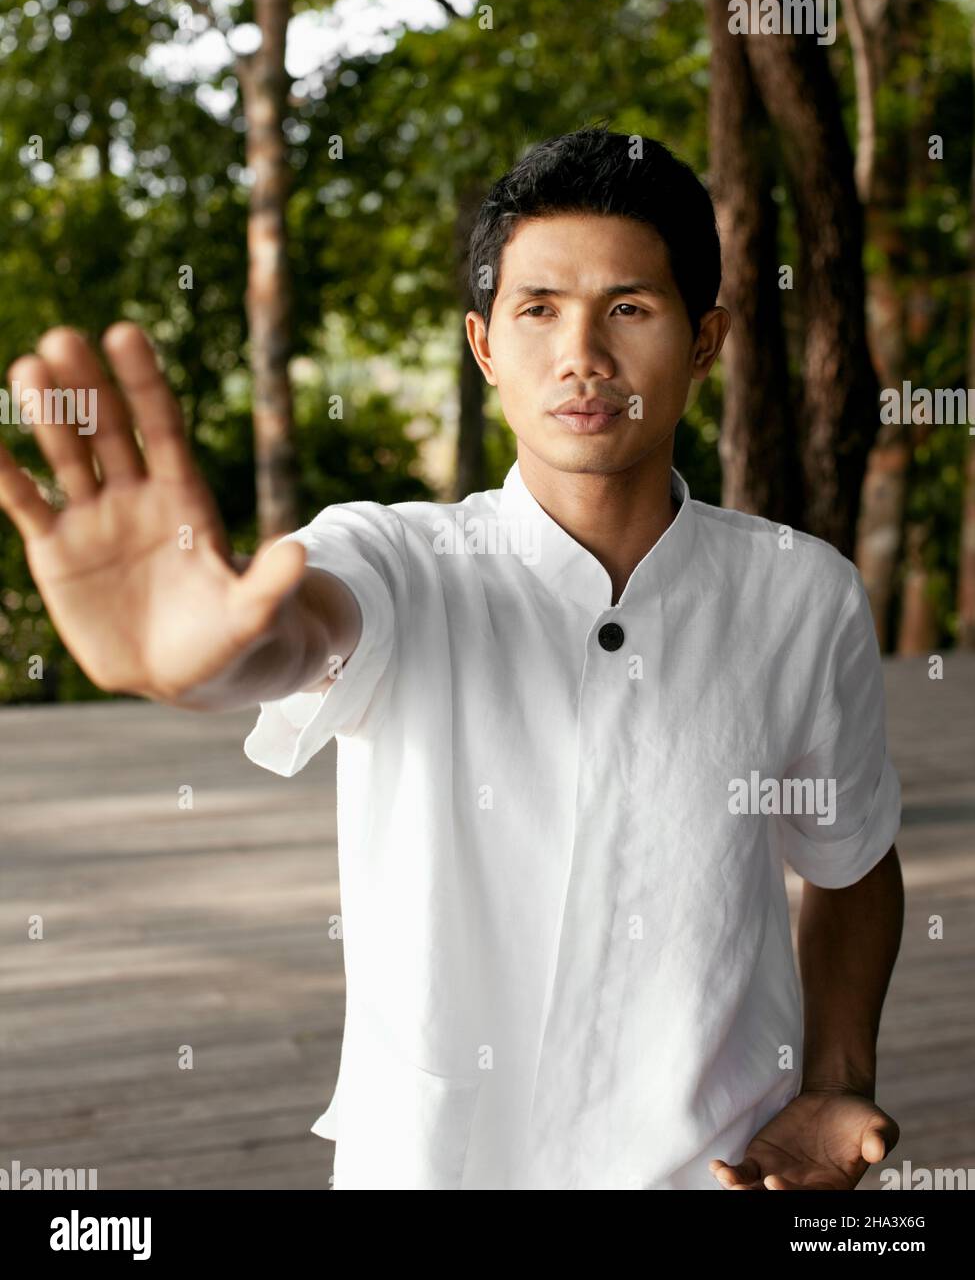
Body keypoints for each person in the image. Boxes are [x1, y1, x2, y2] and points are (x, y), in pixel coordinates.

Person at [0, 125, 903, 1191]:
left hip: (713, 1168)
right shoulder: (404, 560)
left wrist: (837, 1077)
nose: (583, 356)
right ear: (483, 346)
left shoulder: (800, 594)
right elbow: (306, 628)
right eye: (538, 310)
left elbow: (851, 859)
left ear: (704, 341)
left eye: (629, 308)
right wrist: (206, 659)